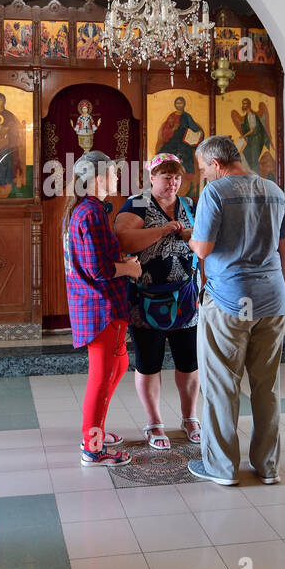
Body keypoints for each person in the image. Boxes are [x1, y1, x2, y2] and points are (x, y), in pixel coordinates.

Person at [187, 136, 285, 485]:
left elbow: (201, 249)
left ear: (217, 164)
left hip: (230, 300)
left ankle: (222, 468)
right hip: (272, 300)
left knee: (221, 384)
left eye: (203, 169)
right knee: (267, 386)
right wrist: (279, 289)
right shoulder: (274, 191)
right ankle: (268, 467)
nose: (202, 176)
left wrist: (190, 237)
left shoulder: (215, 193)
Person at [114, 153, 201, 450]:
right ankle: (154, 423)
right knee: (149, 362)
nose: (173, 183)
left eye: (177, 177)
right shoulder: (138, 203)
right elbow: (124, 239)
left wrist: (190, 235)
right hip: (146, 299)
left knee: (189, 362)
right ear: (151, 177)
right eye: (166, 177)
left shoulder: (188, 204)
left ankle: (190, 418)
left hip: (185, 297)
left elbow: (201, 240)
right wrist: (163, 230)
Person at [64, 150, 142, 466]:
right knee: (101, 376)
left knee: (118, 365)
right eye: (112, 174)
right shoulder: (92, 212)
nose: (115, 180)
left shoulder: (82, 209)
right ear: (98, 179)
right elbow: (98, 269)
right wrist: (130, 269)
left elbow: (92, 260)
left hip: (94, 304)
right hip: (101, 307)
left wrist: (121, 263)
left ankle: (95, 429)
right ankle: (92, 447)